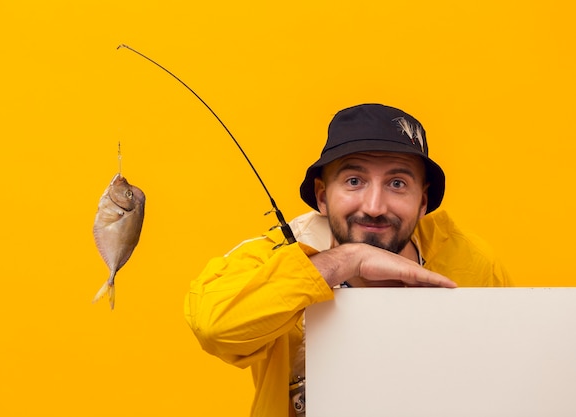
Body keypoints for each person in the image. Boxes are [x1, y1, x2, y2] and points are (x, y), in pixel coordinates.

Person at [184, 103, 512, 417]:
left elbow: (507, 375)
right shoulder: (273, 257)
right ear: (323, 197)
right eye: (354, 181)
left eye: (397, 184)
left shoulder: (470, 260)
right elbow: (214, 329)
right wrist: (345, 260)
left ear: (422, 202)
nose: (374, 206)